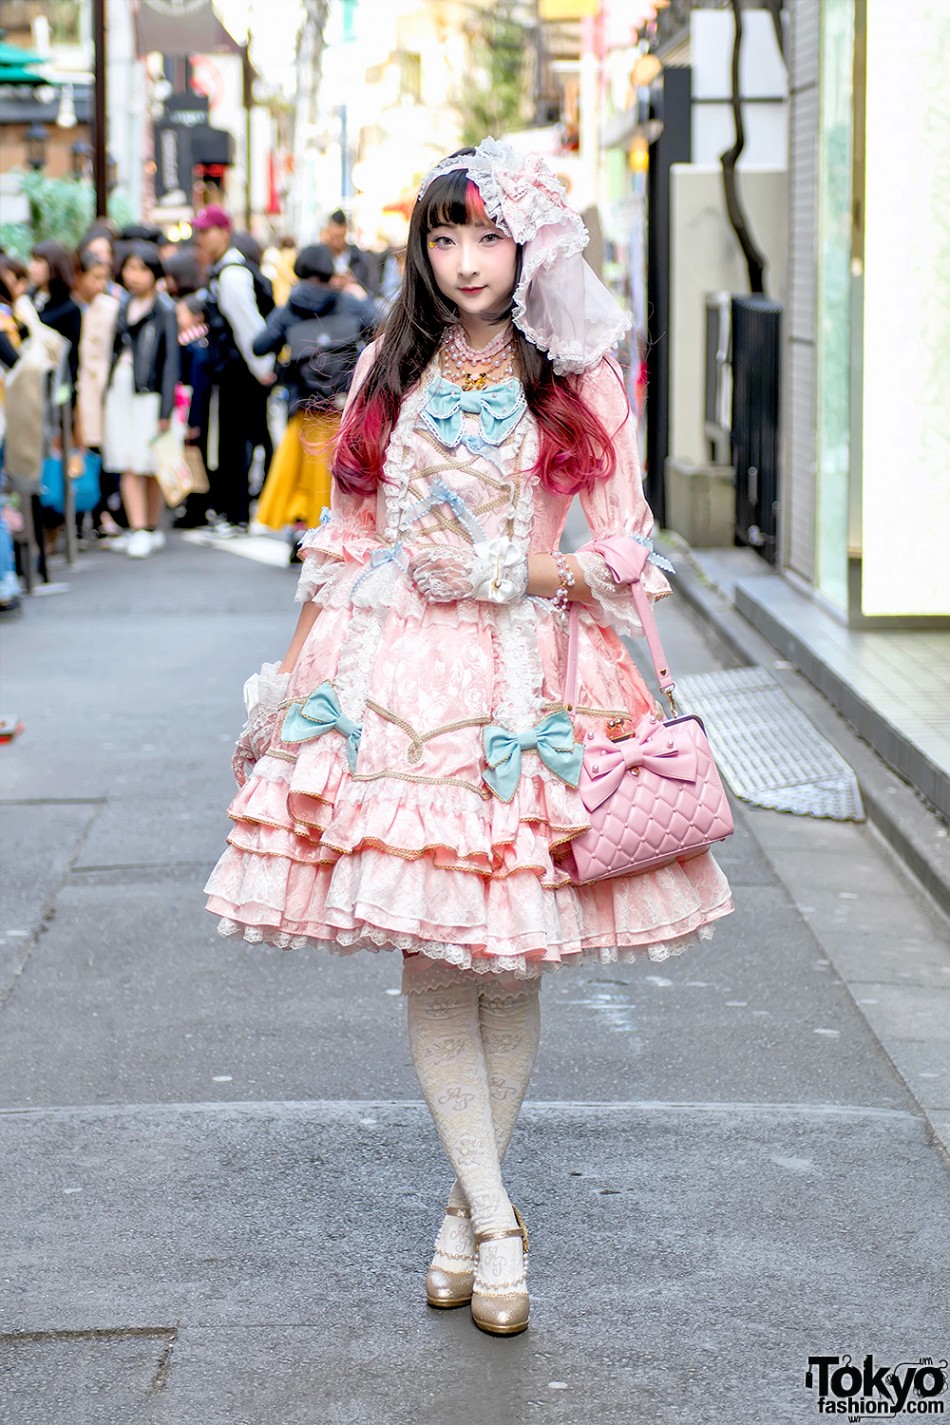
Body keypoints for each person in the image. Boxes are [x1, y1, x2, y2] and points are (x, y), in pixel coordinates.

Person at [204, 140, 733, 1337]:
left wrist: (514, 567)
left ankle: (464, 1213)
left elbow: (625, 552)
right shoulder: (389, 367)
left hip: (529, 684)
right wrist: (285, 691)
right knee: (436, 956)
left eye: (485, 237)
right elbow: (341, 542)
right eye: (442, 239)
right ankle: (496, 1225)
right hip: (392, 687)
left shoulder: (579, 378)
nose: (463, 263)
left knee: (509, 959)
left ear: (527, 243)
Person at [252, 243, 377, 544]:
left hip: (305, 405)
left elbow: (259, 345)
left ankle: (300, 529)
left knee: (300, 472)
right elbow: (379, 325)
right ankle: (336, 528)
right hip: (341, 405)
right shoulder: (349, 303)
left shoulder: (290, 308)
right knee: (337, 469)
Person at [193, 205, 275, 535]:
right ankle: (236, 512)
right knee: (238, 439)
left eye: (207, 231)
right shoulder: (226, 271)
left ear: (224, 232)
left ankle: (237, 514)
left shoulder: (232, 275)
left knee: (236, 441)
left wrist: (261, 368)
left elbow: (248, 328)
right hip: (238, 370)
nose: (201, 238)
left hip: (240, 372)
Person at [103, 242, 178, 558]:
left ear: (154, 274)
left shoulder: (164, 308)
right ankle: (141, 528)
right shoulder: (122, 305)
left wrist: (166, 407)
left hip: (149, 392)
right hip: (122, 389)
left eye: (141, 269)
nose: (133, 276)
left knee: (150, 463)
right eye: (129, 268)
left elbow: (171, 359)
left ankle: (146, 527)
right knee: (131, 462)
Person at [322, 208, 375, 297]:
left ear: (346, 230)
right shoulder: (319, 256)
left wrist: (353, 283)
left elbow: (370, 289)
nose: (338, 241)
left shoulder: (359, 257)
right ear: (328, 230)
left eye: (340, 237)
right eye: (335, 237)